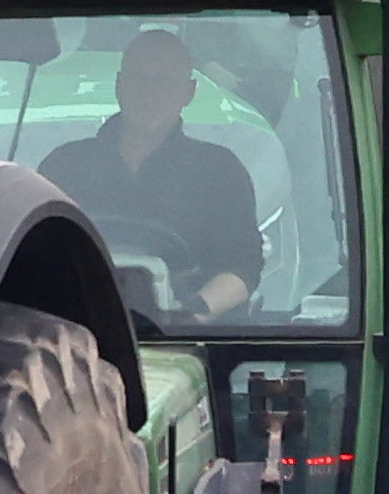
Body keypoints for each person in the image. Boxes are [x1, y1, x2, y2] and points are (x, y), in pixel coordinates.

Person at [40, 27, 264, 317]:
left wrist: (192, 315)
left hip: (188, 335)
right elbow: (38, 256)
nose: (149, 92)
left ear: (189, 92)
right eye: (139, 78)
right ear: (119, 85)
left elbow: (244, 265)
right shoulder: (64, 166)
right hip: (78, 329)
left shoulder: (221, 172)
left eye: (164, 81)